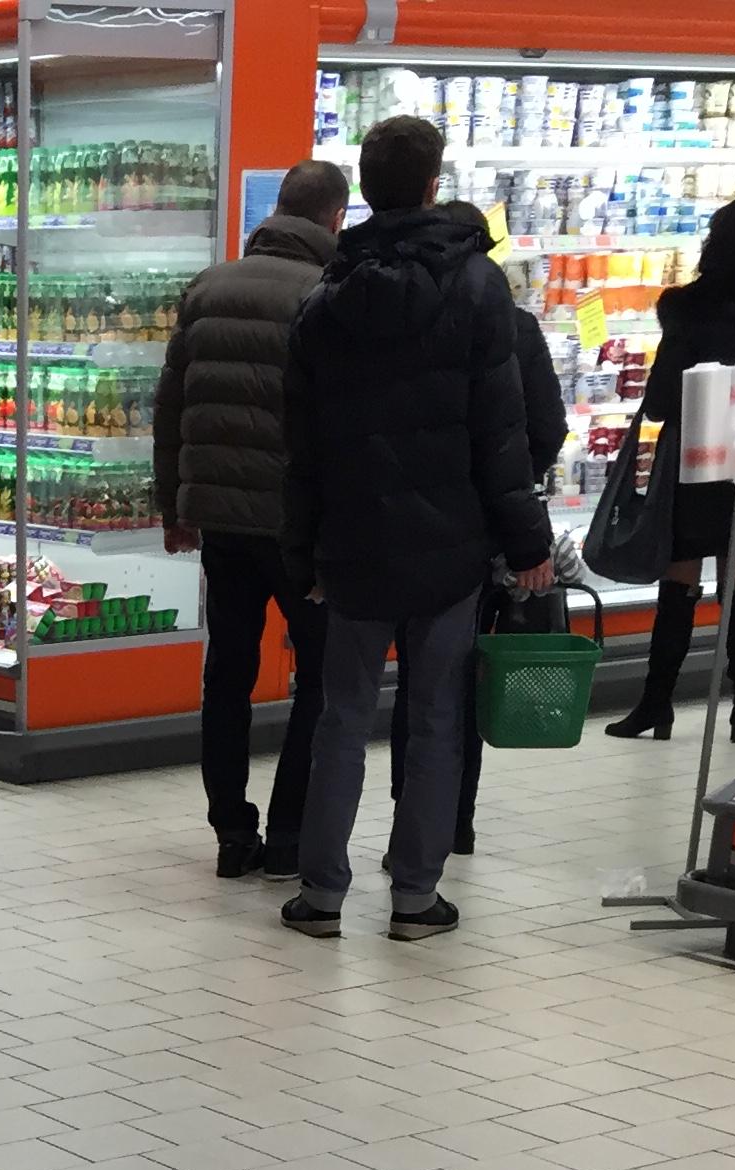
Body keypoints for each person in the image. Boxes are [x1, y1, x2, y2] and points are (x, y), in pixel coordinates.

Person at [279, 113, 552, 946]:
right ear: (434, 185)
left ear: (363, 190)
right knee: (435, 720)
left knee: (340, 717)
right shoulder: (477, 288)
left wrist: (303, 552)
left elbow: (303, 449)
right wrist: (527, 542)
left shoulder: (325, 297)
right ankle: (414, 897)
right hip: (450, 547)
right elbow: (501, 431)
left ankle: (321, 893)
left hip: (353, 543)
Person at [156, 158, 347, 877]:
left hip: (220, 524)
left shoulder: (209, 286)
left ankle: (232, 834)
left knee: (228, 675)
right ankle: (290, 835)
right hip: (298, 528)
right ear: (335, 218)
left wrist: (173, 505)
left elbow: (171, 406)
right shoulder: (329, 292)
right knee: (320, 678)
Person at [603, 193, 735, 740]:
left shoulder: (692, 308)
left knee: (680, 577)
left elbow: (662, 398)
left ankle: (655, 705)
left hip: (695, 453)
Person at [388, 298, 568, 857]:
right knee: (469, 678)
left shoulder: (408, 317)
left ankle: (409, 827)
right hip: (492, 532)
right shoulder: (516, 326)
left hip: (416, 528)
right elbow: (549, 427)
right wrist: (514, 498)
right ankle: (455, 822)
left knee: (419, 681)